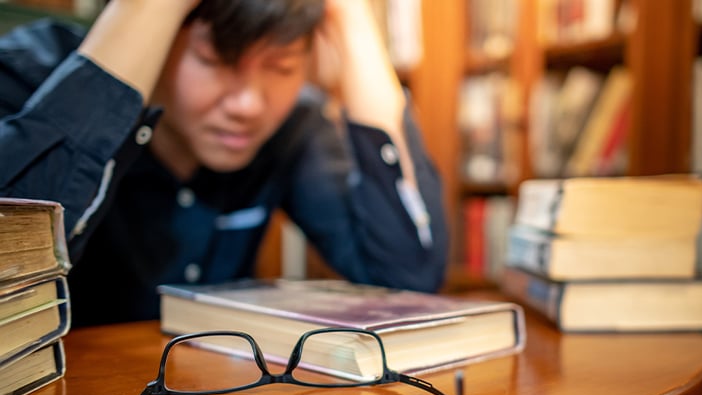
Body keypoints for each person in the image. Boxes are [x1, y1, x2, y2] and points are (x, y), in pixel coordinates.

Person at [0, 0, 448, 326]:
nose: (249, 105)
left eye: (282, 66)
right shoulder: (34, 81)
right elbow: (10, 262)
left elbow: (407, 276)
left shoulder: (293, 127)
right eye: (214, 60)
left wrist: (351, 18)